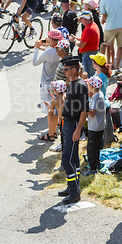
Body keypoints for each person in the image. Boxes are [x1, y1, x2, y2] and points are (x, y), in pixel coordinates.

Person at [58, 56, 89, 205]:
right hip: (68, 124)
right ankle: (72, 187)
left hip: (73, 125)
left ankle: (74, 192)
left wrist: (78, 130)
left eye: (66, 69)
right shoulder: (73, 83)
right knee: (74, 159)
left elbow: (84, 110)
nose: (63, 71)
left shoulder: (80, 86)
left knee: (66, 159)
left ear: (74, 70)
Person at [99, 0, 122, 72]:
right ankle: (117, 67)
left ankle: (101, 65)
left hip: (111, 26)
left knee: (104, 43)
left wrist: (102, 21)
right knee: (120, 46)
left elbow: (104, 17)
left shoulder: (103, 1)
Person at [33, 29, 61, 116]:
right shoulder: (61, 49)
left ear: (51, 39)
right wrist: (46, 47)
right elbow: (50, 51)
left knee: (48, 109)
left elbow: (35, 62)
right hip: (56, 82)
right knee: (56, 105)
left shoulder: (48, 52)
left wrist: (37, 48)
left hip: (46, 83)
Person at [83, 75, 106, 176]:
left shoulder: (95, 98)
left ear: (91, 86)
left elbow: (92, 113)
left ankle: (92, 169)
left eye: (88, 84)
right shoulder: (100, 94)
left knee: (91, 148)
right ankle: (97, 163)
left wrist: (84, 107)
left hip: (94, 128)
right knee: (97, 146)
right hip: (100, 126)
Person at [69, 11, 100, 77]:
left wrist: (74, 40)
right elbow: (86, 39)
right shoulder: (93, 25)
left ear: (85, 19)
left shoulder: (88, 29)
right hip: (93, 53)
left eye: (81, 19)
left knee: (87, 76)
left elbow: (81, 45)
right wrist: (77, 38)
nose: (80, 20)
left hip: (88, 55)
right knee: (92, 74)